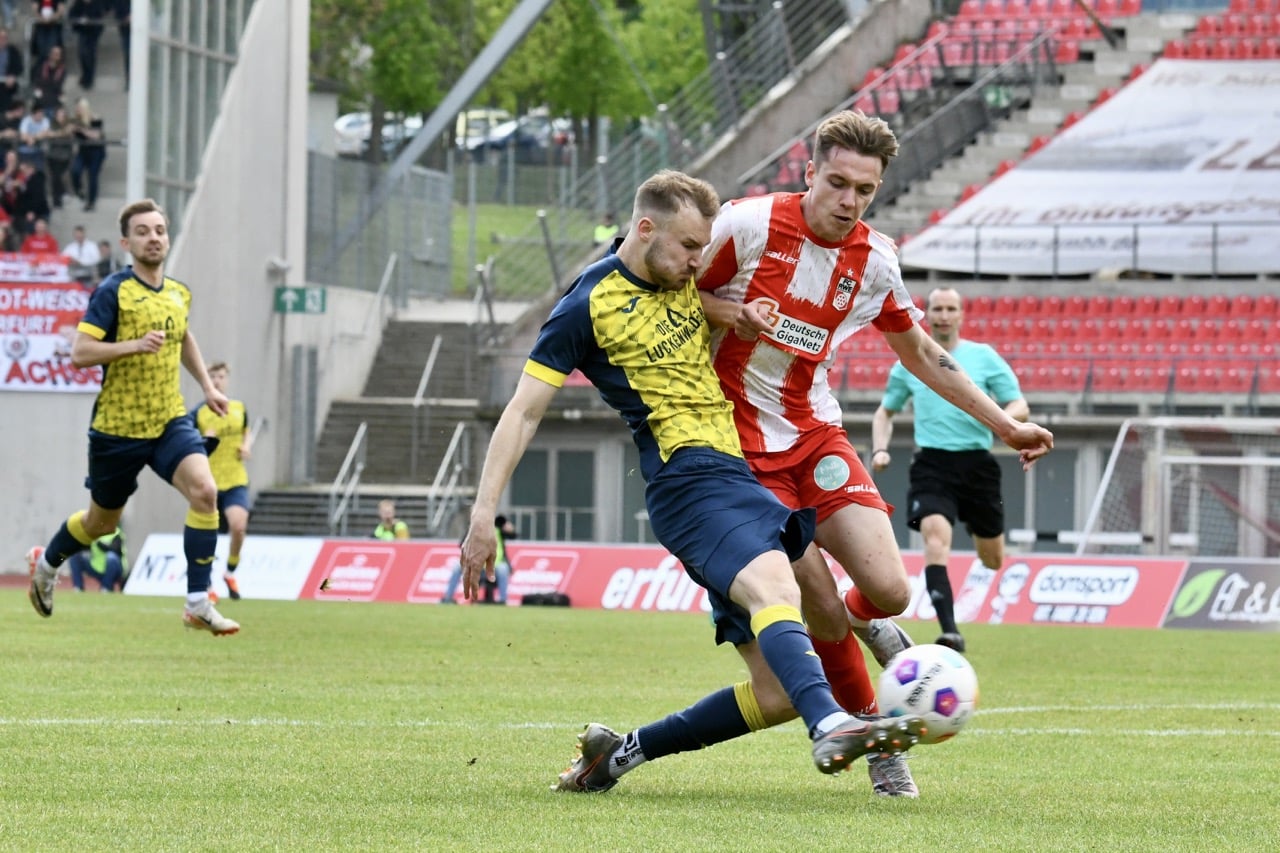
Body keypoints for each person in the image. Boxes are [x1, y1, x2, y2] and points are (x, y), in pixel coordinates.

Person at [460, 169, 926, 795]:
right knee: (778, 584)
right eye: (687, 247)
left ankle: (616, 757)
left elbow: (700, 302)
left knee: (774, 694)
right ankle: (832, 723)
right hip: (686, 479)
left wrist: (738, 314)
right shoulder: (585, 306)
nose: (697, 262)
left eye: (702, 248)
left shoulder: (677, 283)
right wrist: (482, 515)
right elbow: (522, 412)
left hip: (733, 477)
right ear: (644, 229)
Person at [697, 111, 1054, 794]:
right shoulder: (747, 225)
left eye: (864, 189)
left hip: (814, 433)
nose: (848, 200)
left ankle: (867, 620)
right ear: (809, 172)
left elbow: (919, 351)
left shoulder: (875, 260)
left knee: (889, 590)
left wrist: (1005, 427)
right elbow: (672, 286)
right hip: (740, 453)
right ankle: (879, 743)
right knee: (820, 603)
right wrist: (732, 314)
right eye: (837, 183)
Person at [25, 198, 240, 636]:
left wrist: (207, 386)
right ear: (127, 243)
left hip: (169, 420)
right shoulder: (114, 291)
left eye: (159, 230)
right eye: (142, 232)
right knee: (100, 524)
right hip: (118, 430)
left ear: (167, 238)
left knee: (205, 491)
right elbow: (80, 353)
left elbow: (183, 336)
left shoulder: (178, 292)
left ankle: (198, 603)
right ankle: (46, 564)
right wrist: (134, 345)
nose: (153, 238)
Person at [870, 286, 1031, 654]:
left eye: (950, 309)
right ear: (927, 314)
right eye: (937, 309)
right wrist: (880, 449)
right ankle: (950, 631)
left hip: (978, 465)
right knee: (935, 538)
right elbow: (885, 412)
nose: (943, 315)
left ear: (961, 315)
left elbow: (1019, 405)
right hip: (932, 464)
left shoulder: (983, 357)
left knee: (992, 559)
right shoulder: (909, 361)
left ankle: (976, 525)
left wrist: (1004, 422)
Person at [190, 361, 253, 601]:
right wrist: (202, 440)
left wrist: (246, 446)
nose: (217, 381)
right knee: (207, 534)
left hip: (236, 479)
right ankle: (206, 584)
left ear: (227, 379)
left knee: (239, 526)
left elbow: (246, 431)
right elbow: (186, 443)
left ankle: (230, 571)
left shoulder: (238, 408)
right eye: (213, 377)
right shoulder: (199, 413)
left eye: (221, 376)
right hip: (209, 482)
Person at [442, 514, 515, 604]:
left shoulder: (498, 529)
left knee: (503, 569)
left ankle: (503, 600)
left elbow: (513, 536)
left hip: (494, 566)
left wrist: (509, 529)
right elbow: (462, 545)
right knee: (457, 567)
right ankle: (448, 598)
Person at [69, 97, 104, 211]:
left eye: (79, 108)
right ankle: (79, 190)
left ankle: (91, 202)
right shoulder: (76, 121)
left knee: (92, 176)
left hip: (95, 151)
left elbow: (96, 135)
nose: (77, 110)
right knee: (75, 170)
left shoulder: (95, 118)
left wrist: (81, 130)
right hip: (83, 150)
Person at [66, 526, 125, 592]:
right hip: (96, 567)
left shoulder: (115, 532)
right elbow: (85, 547)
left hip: (114, 570)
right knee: (74, 555)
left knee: (111, 557)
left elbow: (115, 549)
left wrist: (99, 543)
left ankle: (106, 588)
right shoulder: (94, 532)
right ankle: (78, 587)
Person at [68, 0, 104, 90]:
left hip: (93, 32)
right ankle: (84, 74)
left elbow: (99, 18)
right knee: (82, 54)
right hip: (83, 31)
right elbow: (71, 15)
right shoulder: (78, 3)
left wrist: (90, 21)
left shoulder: (97, 4)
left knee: (90, 55)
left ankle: (89, 78)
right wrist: (79, 20)